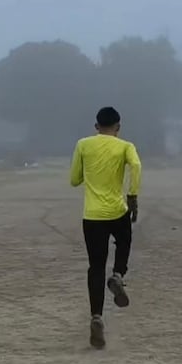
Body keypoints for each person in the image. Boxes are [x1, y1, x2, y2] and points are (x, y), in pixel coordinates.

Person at [70, 106, 142, 349]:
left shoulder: (83, 145)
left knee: (96, 267)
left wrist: (91, 171)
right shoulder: (125, 146)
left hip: (92, 216)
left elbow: (74, 180)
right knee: (124, 240)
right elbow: (136, 166)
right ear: (118, 127)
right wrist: (132, 196)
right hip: (117, 211)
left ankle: (96, 317)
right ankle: (118, 274)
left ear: (96, 126)